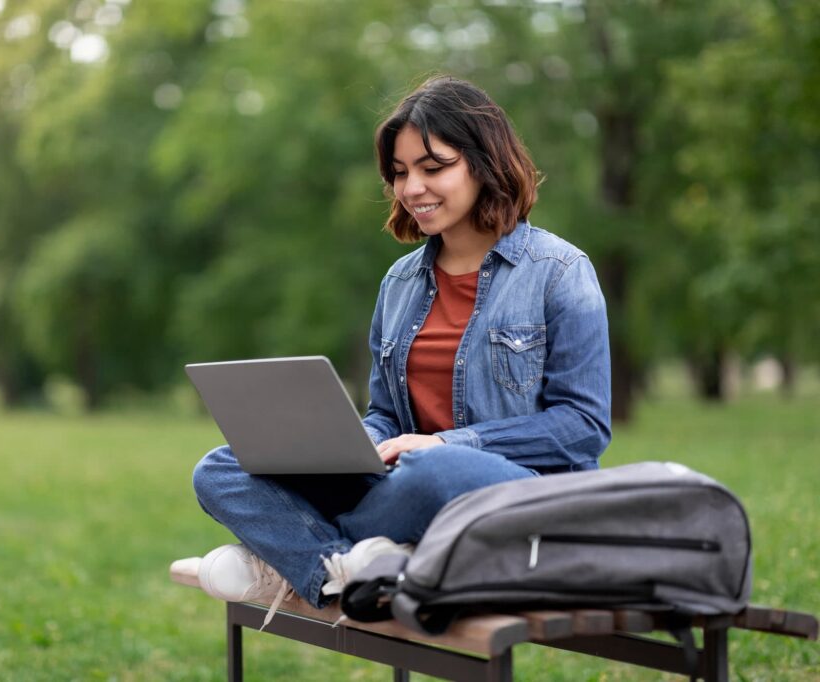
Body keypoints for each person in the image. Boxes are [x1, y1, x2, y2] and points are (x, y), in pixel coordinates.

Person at [185, 75, 611, 627]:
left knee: (439, 472)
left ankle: (291, 559)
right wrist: (356, 444)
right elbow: (386, 413)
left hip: (514, 496)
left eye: (434, 168)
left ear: (486, 163)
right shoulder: (401, 283)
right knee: (219, 469)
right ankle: (348, 567)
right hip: (401, 484)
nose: (413, 188)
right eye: (401, 172)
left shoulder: (560, 273)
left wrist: (444, 443)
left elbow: (583, 426)